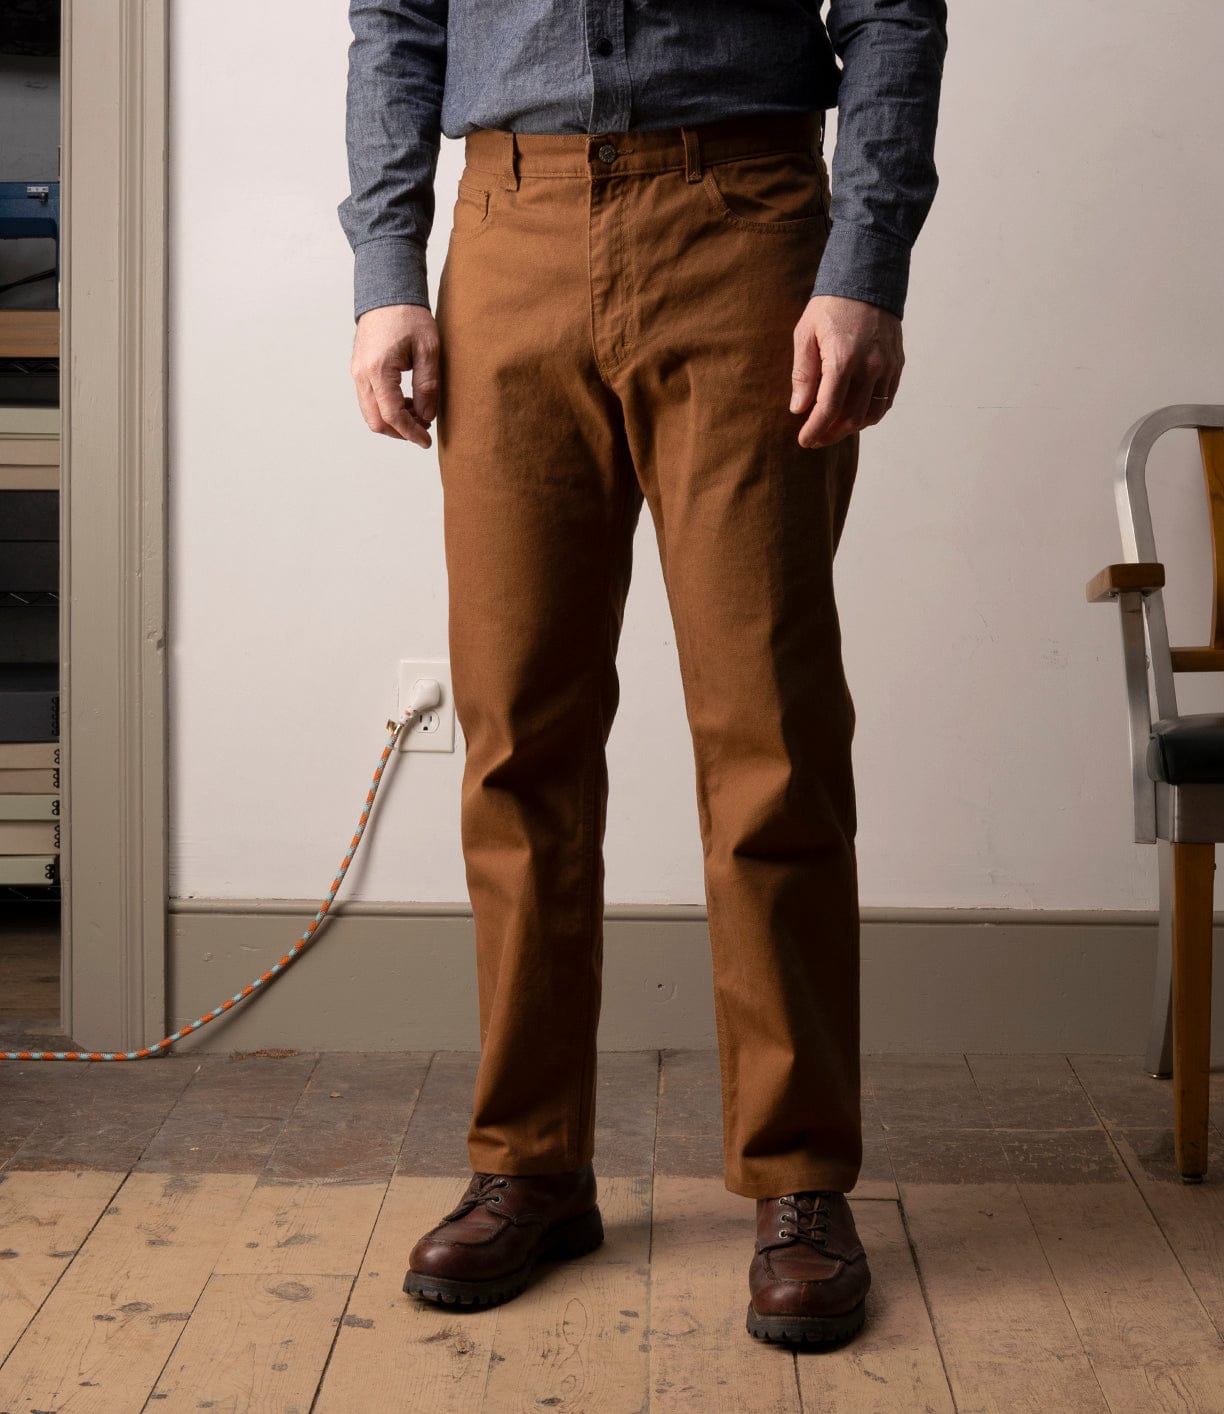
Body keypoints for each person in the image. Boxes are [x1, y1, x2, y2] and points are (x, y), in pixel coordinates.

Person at [339, 0, 947, 1347]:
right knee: (513, 733)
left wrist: (867, 258)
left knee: (769, 725)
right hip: (508, 225)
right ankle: (530, 1164)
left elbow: (896, 11)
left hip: (745, 216)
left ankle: (799, 1182)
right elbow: (395, 16)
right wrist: (389, 264)